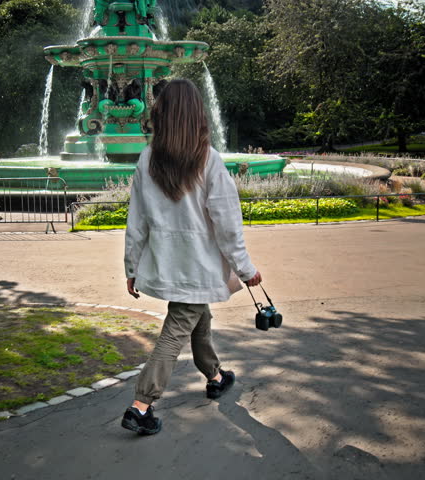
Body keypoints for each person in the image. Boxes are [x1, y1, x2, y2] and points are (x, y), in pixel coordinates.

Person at [121, 78, 262, 435]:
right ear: (196, 115)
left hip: (169, 264)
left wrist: (132, 266)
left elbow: (135, 221)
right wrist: (246, 269)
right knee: (175, 331)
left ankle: (215, 375)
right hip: (198, 266)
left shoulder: (148, 160)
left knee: (200, 317)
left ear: (162, 114)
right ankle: (141, 405)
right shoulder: (208, 160)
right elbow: (228, 225)